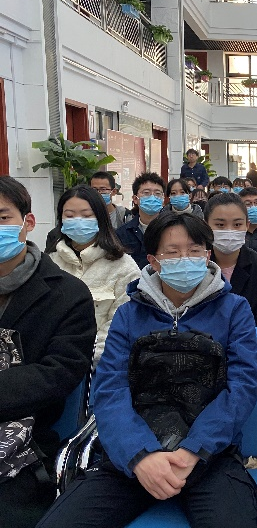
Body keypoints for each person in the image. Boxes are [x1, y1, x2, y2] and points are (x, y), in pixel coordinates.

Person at [38, 212, 257, 528]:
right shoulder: (128, 315)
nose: (185, 259)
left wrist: (194, 450)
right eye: (173, 252)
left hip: (210, 455)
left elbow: (242, 386)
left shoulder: (234, 309)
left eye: (194, 250)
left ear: (207, 255)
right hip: (133, 456)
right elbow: (110, 389)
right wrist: (141, 456)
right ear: (154, 261)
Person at [0, 177, 95, 528]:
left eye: (2, 217)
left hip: (27, 440)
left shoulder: (67, 294)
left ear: (28, 222)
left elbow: (60, 371)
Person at [47, 185, 140, 367]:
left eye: (87, 215)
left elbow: (120, 325)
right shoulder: (49, 264)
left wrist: (84, 359)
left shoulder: (124, 267)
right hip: (50, 365)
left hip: (100, 366)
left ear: (100, 219)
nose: (78, 221)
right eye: (70, 216)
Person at [205, 193, 257, 327]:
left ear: (247, 225)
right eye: (220, 225)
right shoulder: (196, 265)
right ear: (205, 226)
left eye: (237, 224)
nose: (229, 231)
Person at [115, 172, 165, 269]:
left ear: (163, 199)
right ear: (135, 199)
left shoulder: (173, 230)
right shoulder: (122, 233)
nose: (152, 197)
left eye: (157, 194)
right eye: (146, 193)